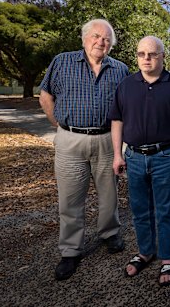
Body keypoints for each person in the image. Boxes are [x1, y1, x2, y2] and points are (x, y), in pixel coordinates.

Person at [39, 19, 129, 281]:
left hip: (106, 141)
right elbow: (45, 96)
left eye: (106, 39)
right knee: (70, 200)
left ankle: (110, 234)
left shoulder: (120, 69)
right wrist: (60, 125)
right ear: (84, 38)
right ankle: (70, 250)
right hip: (70, 141)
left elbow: (126, 108)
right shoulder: (62, 61)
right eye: (96, 36)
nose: (101, 42)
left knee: (109, 195)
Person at [109, 36, 170, 286]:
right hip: (134, 157)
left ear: (162, 56)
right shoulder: (126, 85)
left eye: (152, 54)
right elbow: (117, 120)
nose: (146, 58)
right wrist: (117, 153)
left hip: (166, 156)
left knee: (166, 210)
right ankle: (145, 252)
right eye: (141, 54)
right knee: (140, 210)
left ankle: (168, 257)